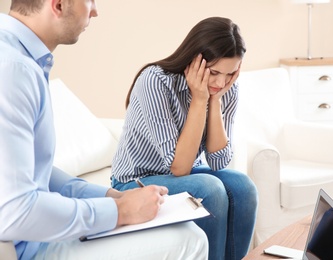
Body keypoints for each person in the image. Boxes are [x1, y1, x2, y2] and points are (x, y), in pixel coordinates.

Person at [0, 1, 208, 259]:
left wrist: (113, 197)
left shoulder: (17, 58)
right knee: (190, 239)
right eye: (90, 1)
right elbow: (14, 211)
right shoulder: (13, 70)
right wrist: (121, 212)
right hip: (26, 247)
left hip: (35, 236)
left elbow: (33, 172)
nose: (95, 11)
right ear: (59, 4)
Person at [111, 16, 258, 260]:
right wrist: (200, 99)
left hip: (187, 174)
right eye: (214, 72)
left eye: (230, 73)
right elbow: (179, 168)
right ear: (195, 60)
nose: (221, 81)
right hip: (134, 182)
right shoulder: (156, 81)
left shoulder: (225, 88)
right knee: (210, 189)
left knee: (243, 186)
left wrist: (215, 99)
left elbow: (219, 161)